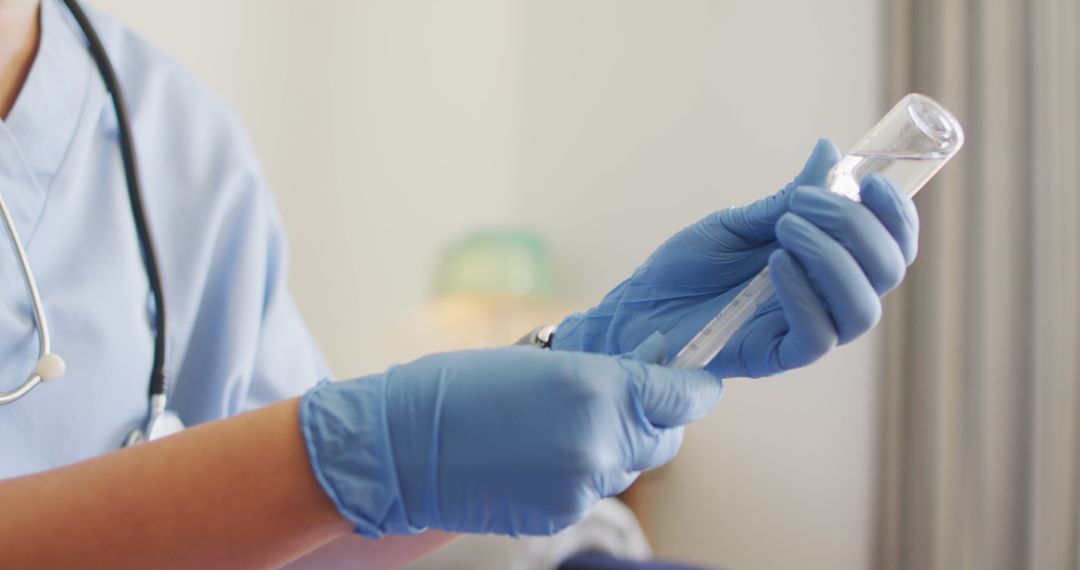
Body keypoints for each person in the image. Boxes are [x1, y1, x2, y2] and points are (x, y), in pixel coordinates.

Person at [0, 0, 919, 567]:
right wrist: (370, 450)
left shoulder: (176, 144)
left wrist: (589, 347)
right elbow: (335, 465)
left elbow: (310, 538)